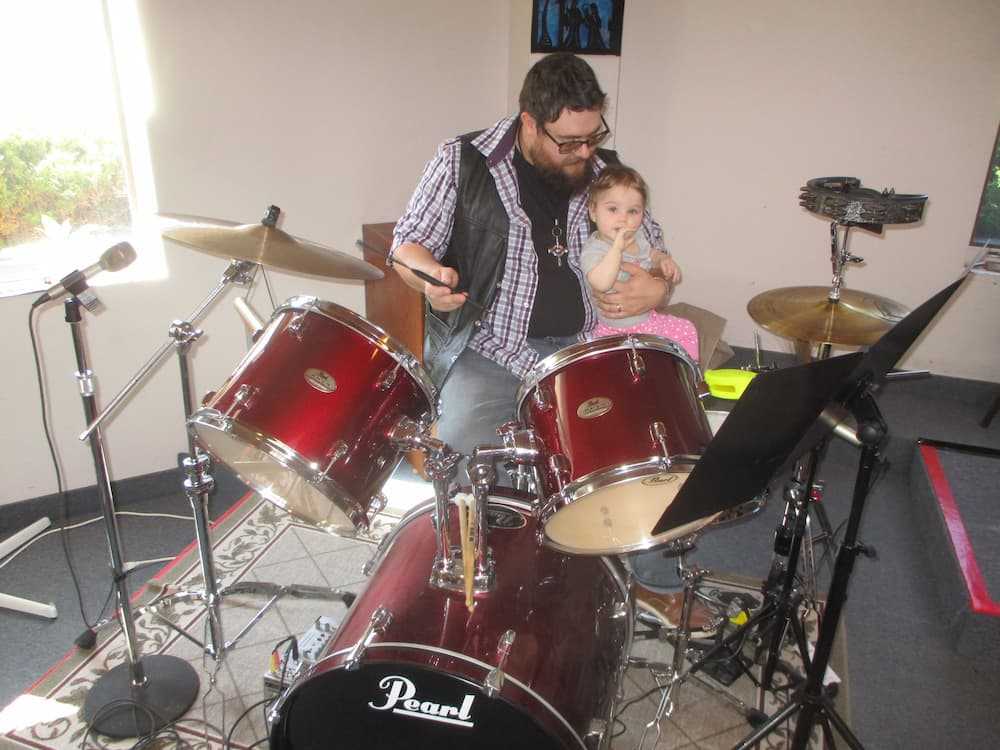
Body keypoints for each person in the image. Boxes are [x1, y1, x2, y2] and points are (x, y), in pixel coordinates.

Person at [389, 53, 712, 632]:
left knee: (646, 451)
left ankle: (649, 582)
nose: (586, 154)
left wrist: (654, 289)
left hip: (587, 347)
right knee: (466, 454)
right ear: (530, 123)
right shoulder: (463, 160)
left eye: (594, 137)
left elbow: (652, 247)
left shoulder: (603, 172)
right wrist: (429, 281)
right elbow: (408, 245)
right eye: (570, 142)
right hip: (492, 350)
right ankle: (482, 590)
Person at [581, 164, 700, 362]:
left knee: (686, 329)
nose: (623, 218)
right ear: (593, 212)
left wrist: (662, 259)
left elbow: (650, 252)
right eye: (613, 209)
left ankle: (689, 376)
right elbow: (601, 282)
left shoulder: (638, 238)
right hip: (611, 331)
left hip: (647, 320)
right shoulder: (595, 248)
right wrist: (617, 249)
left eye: (633, 211)